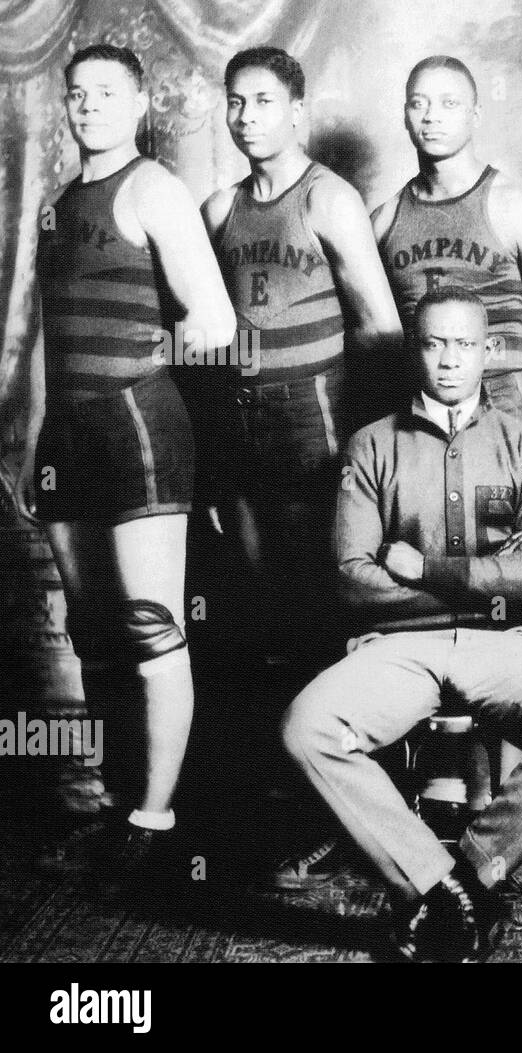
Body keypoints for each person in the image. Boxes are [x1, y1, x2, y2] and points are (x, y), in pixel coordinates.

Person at [281, 286, 522, 962]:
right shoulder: (371, 444)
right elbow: (351, 582)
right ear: (416, 349)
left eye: (465, 344)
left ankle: (466, 873)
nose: (450, 360)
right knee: (306, 728)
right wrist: (495, 580)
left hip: (504, 645)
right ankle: (438, 887)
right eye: (435, 343)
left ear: (488, 351)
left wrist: (419, 568)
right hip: (403, 649)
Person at [21, 44, 236, 895]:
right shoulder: (58, 205)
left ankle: (156, 822)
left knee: (150, 627)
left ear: (140, 101)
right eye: (77, 94)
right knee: (94, 634)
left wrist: (142, 359)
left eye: (107, 93)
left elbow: (215, 321)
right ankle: (117, 807)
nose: (89, 107)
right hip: (70, 438)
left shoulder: (154, 188)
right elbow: (50, 334)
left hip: (141, 427)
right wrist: (41, 433)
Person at [199, 46, 402, 689]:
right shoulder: (218, 209)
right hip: (240, 417)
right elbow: (203, 342)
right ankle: (281, 769)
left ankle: (339, 754)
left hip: (316, 409)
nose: (248, 117)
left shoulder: (328, 197)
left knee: (326, 580)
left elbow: (381, 328)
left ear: (296, 112)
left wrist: (380, 446)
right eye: (237, 102)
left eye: (264, 102)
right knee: (260, 592)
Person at [373, 55, 522, 432]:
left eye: (449, 103)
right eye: (420, 103)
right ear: (405, 116)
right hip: (419, 406)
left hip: (504, 400)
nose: (432, 116)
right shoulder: (384, 219)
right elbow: (374, 337)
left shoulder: (517, 206)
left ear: (476, 114)